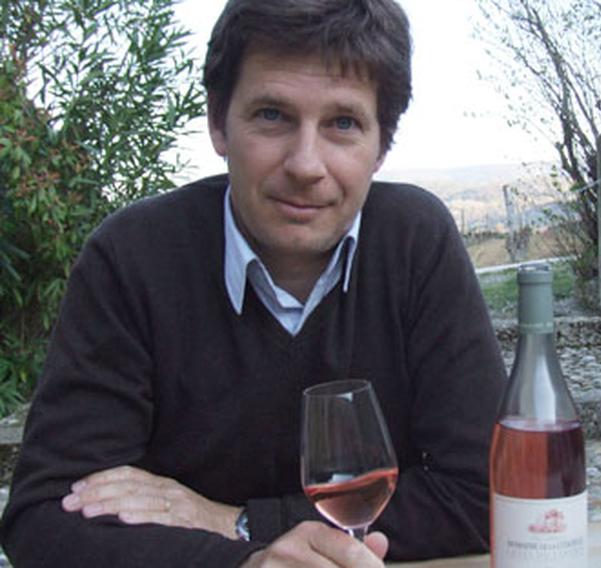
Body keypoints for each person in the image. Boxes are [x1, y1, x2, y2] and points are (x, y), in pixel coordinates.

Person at [0, 0, 507, 565]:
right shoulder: (132, 258)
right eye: (272, 115)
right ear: (219, 123)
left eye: (343, 123)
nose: (305, 164)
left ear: (381, 146)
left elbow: (490, 494)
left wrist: (241, 524)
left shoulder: (415, 243)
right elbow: (44, 518)